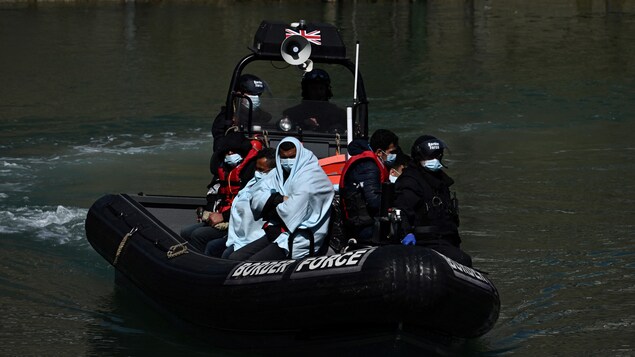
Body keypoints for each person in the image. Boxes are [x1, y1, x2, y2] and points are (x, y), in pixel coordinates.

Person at [228, 137, 334, 261]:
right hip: (276, 232)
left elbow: (290, 212)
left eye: (292, 157)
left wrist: (269, 205)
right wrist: (279, 199)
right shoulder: (278, 173)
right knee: (235, 257)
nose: (287, 161)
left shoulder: (311, 178)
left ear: (300, 155)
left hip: (297, 237)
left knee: (251, 263)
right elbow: (255, 196)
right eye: (284, 158)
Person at [393, 135, 472, 267]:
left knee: (463, 260)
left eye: (437, 157)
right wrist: (406, 233)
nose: (434, 161)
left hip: (445, 240)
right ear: (419, 158)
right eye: (430, 157)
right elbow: (402, 210)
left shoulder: (440, 181)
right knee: (463, 260)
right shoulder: (410, 181)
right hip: (426, 241)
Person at [181, 132, 261, 252]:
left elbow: (246, 204)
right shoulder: (224, 170)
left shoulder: (251, 172)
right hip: (221, 215)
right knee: (186, 232)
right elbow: (213, 193)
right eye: (227, 152)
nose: (229, 154)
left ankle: (202, 264)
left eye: (233, 152)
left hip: (237, 220)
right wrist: (207, 213)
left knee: (199, 235)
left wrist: (223, 216)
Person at [204, 148, 277, 258]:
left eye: (261, 170)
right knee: (212, 246)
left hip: (254, 237)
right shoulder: (252, 182)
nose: (257, 173)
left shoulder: (274, 187)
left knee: (228, 255)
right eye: (256, 169)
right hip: (237, 234)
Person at [339, 129, 399, 242]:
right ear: (380, 152)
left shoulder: (372, 163)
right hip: (364, 226)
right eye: (391, 152)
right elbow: (374, 201)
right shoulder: (368, 166)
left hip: (369, 222)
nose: (393, 156)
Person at [212, 74, 272, 151]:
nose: (256, 97)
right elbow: (219, 146)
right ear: (238, 93)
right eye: (251, 94)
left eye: (258, 94)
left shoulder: (264, 116)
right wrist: (248, 143)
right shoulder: (226, 117)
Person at [282, 69, 346, 133]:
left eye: (321, 88)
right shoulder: (292, 114)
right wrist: (304, 123)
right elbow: (283, 127)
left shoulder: (338, 114)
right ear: (306, 91)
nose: (318, 92)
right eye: (313, 88)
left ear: (327, 90)